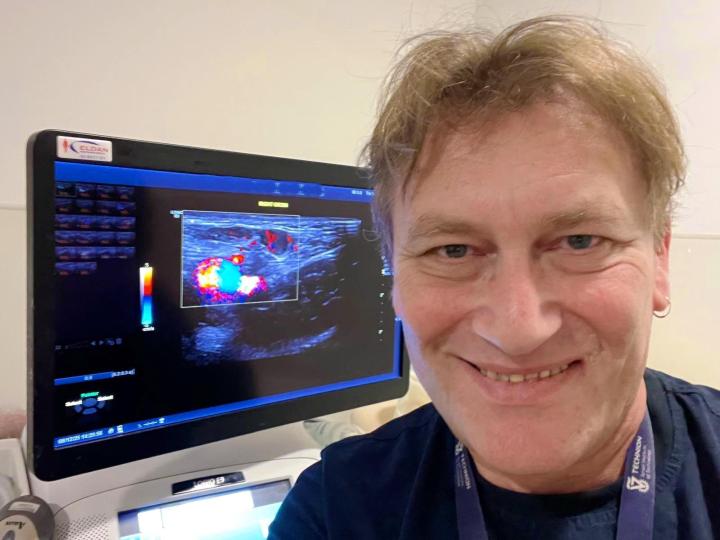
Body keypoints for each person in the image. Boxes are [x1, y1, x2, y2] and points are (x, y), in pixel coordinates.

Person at [269, 15, 720, 539]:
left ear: (660, 258)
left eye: (580, 241)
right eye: (453, 250)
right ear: (393, 276)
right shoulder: (333, 512)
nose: (517, 329)